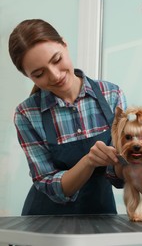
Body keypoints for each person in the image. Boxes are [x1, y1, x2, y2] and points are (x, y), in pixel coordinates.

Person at [8, 19, 127, 215]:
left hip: (100, 214)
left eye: (56, 60)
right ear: (28, 76)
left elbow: (119, 176)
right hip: (45, 222)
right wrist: (89, 161)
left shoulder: (112, 95)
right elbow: (48, 183)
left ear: (64, 44)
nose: (54, 75)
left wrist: (135, 165)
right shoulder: (27, 114)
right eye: (39, 74)